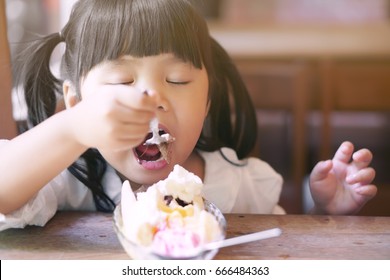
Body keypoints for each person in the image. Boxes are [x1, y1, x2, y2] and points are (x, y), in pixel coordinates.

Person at [0, 0, 376, 231]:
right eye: (123, 80)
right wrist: (74, 127)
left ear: (208, 99)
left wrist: (325, 212)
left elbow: (283, 250)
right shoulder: (71, 181)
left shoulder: (239, 183)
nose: (152, 98)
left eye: (177, 80)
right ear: (76, 101)